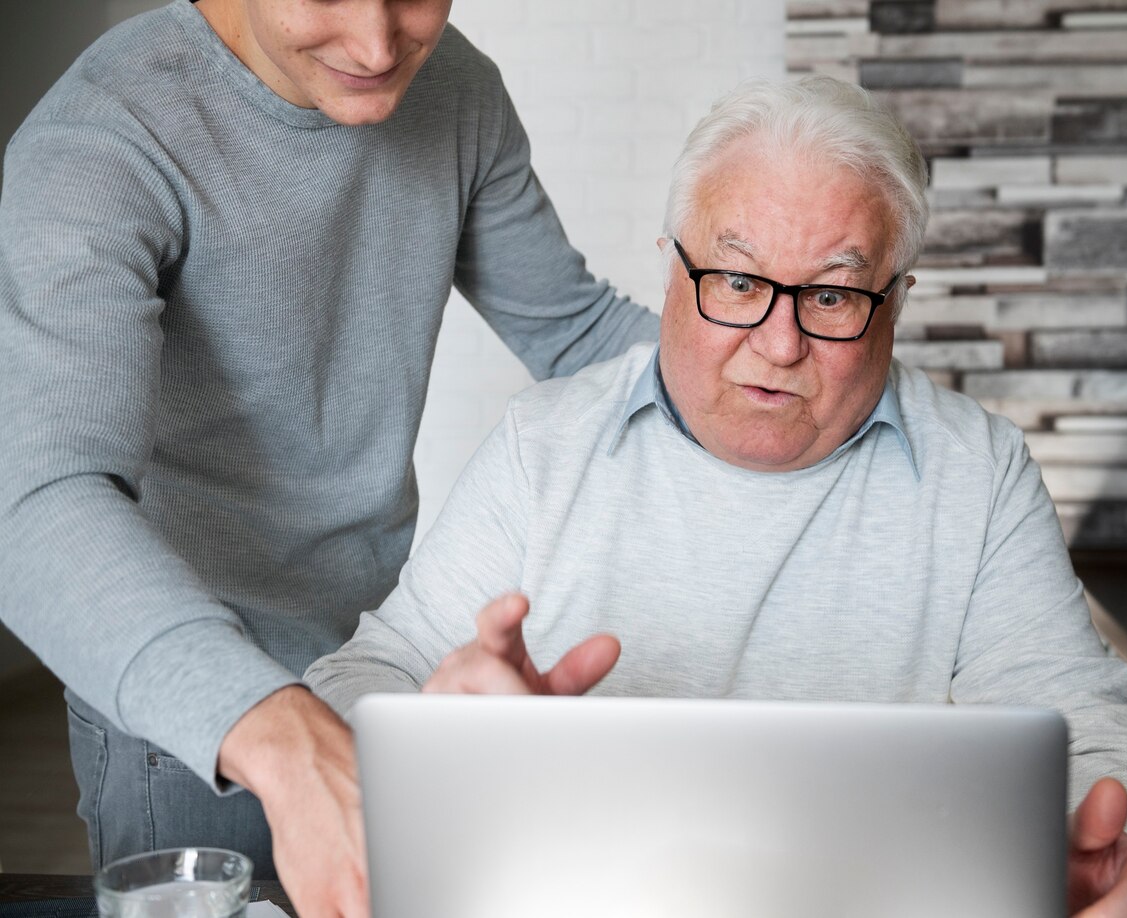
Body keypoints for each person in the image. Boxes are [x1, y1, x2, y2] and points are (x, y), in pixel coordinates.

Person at [304, 76, 1127, 917]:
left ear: (897, 301)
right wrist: (431, 723)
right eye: (738, 282)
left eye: (833, 296)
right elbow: (356, 678)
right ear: (671, 269)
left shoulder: (982, 471)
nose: (779, 344)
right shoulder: (543, 445)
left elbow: (1090, 723)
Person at [0, 0, 657, 913]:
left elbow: (577, 330)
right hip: (186, 704)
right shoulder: (100, 141)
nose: (378, 45)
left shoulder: (456, 88)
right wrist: (276, 731)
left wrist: (803, 350)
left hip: (378, 665)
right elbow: (37, 505)